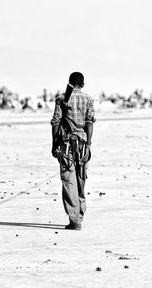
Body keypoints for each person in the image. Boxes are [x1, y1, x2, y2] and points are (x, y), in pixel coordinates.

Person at [51, 72, 96, 230]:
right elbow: (90, 123)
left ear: (69, 82)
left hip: (66, 145)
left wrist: (54, 145)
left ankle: (74, 219)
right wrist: (88, 146)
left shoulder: (61, 99)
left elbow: (56, 122)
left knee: (69, 181)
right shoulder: (88, 99)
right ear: (82, 84)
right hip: (83, 145)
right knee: (81, 179)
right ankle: (80, 214)